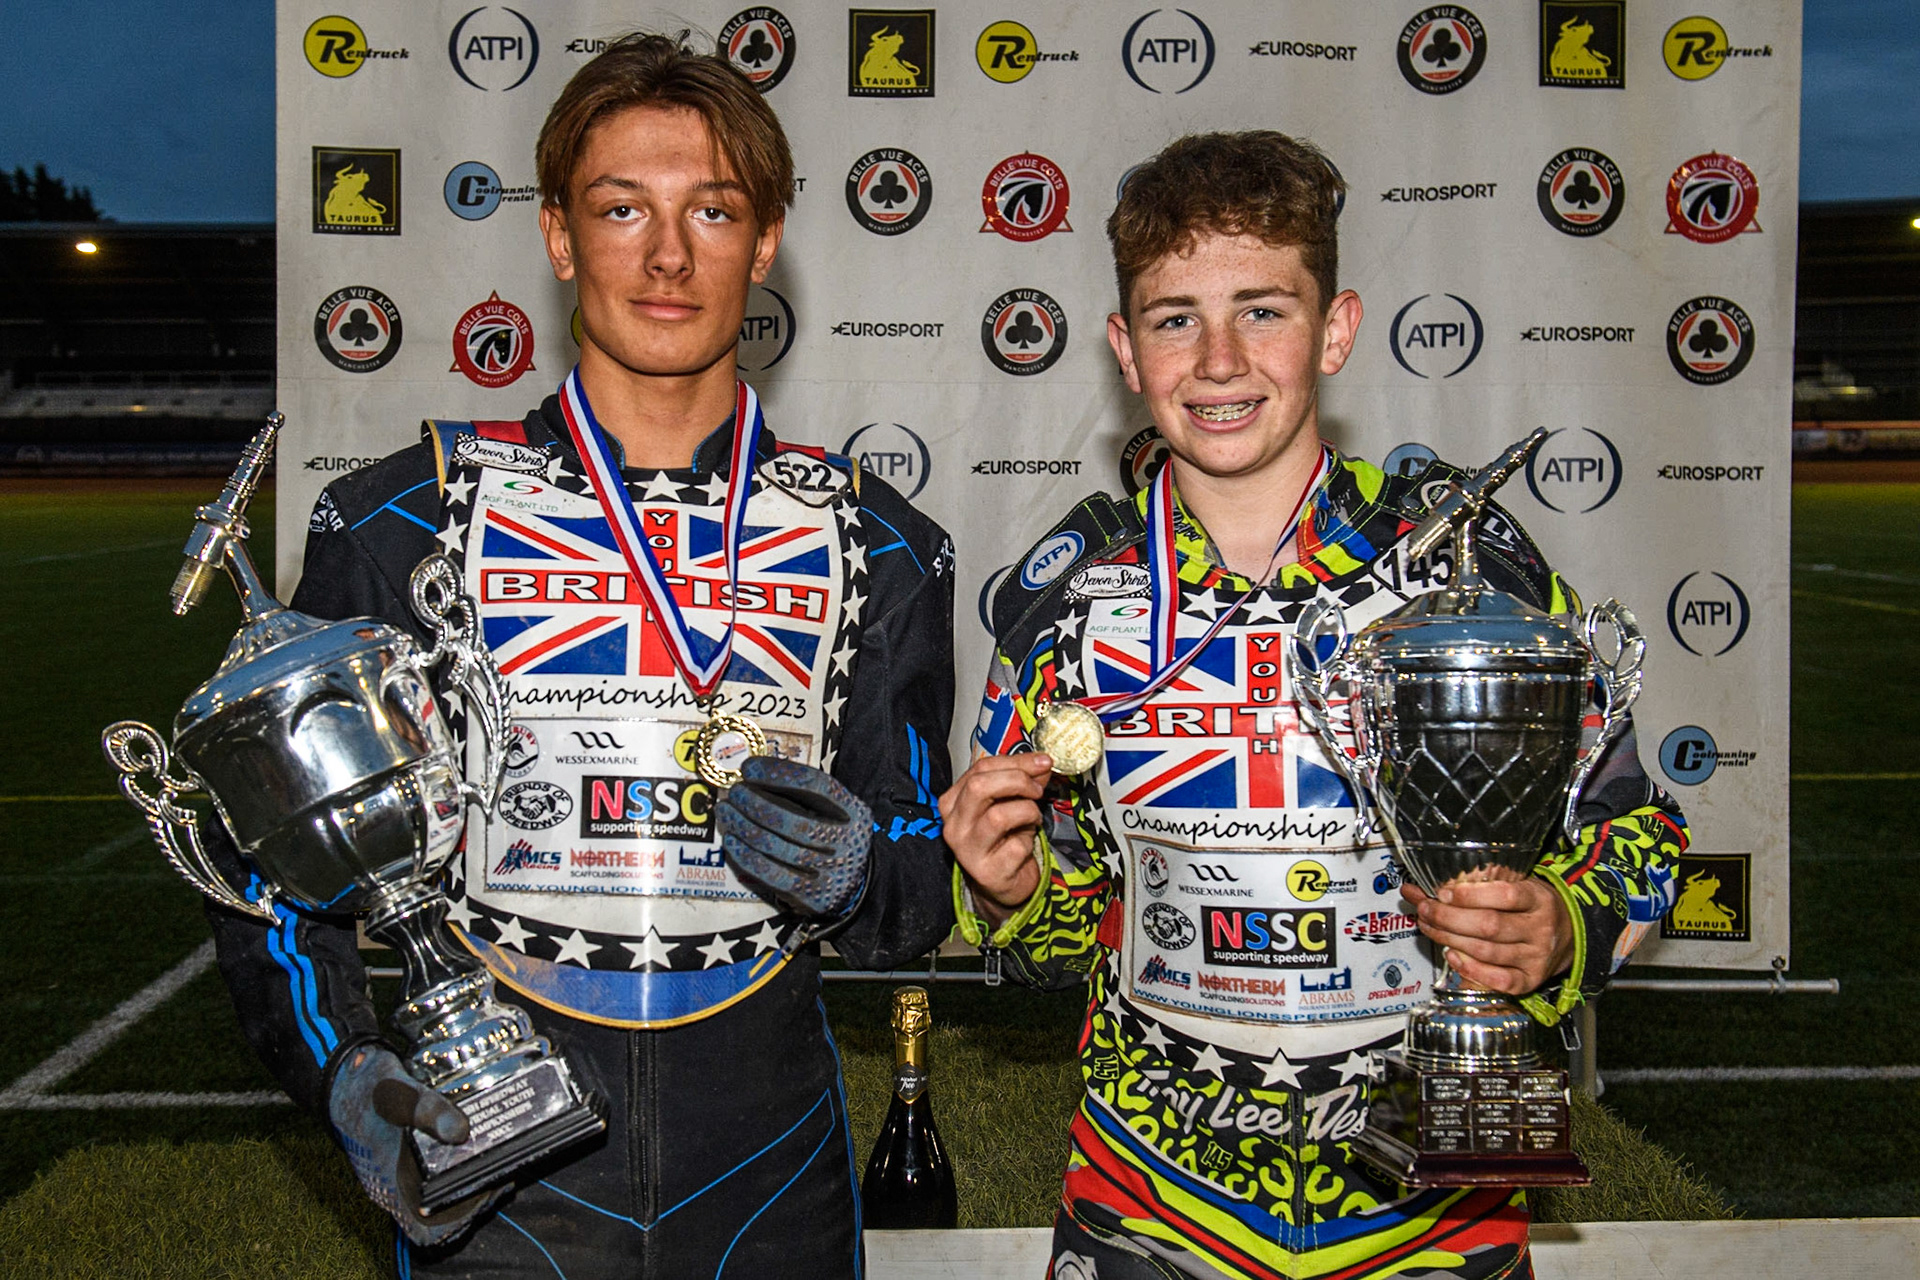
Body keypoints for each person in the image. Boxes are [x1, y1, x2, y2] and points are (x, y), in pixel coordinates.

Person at [202, 33, 955, 1277]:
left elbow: (917, 886)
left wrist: (863, 871)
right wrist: (345, 1070)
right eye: (622, 209)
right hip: (502, 1188)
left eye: (711, 210)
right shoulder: (399, 522)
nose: (668, 255)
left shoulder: (879, 539)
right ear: (558, 235)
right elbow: (271, 874)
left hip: (769, 1179)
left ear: (765, 241)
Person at [941, 131, 1687, 1280]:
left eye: (1264, 310)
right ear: (1125, 350)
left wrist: (1562, 928)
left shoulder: (1463, 563)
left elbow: (1641, 832)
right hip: (1154, 1200)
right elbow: (1055, 929)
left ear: (1335, 327)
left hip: (1430, 1210)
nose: (1221, 358)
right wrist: (1012, 881)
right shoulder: (1070, 596)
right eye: (1175, 316)